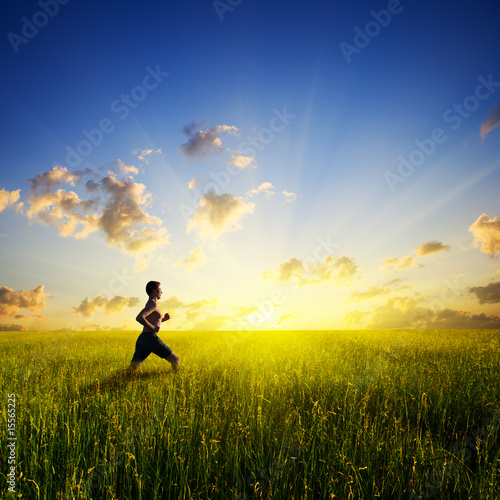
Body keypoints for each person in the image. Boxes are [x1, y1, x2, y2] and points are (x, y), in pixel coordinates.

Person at [128, 281, 180, 372]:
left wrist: (162, 319)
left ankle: (121, 380)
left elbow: (152, 321)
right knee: (175, 359)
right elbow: (139, 317)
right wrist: (153, 328)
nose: (161, 292)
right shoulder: (153, 304)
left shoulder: (151, 303)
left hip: (143, 338)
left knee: (133, 368)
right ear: (154, 291)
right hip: (150, 338)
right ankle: (175, 378)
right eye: (160, 290)